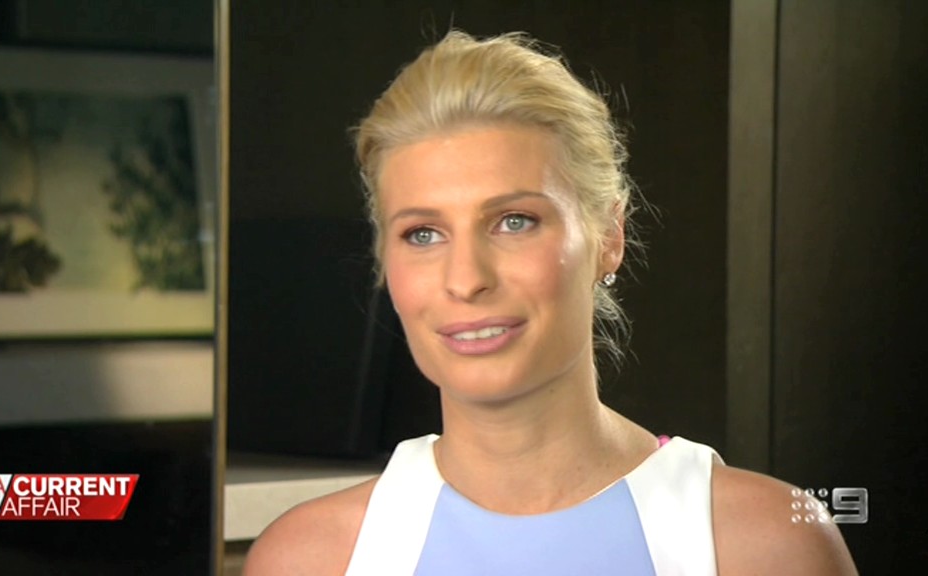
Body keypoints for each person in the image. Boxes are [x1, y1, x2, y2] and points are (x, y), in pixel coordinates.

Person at [244, 30, 857, 575]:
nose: (466, 279)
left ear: (609, 237)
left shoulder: (765, 545)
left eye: (514, 221)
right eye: (423, 234)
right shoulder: (307, 560)